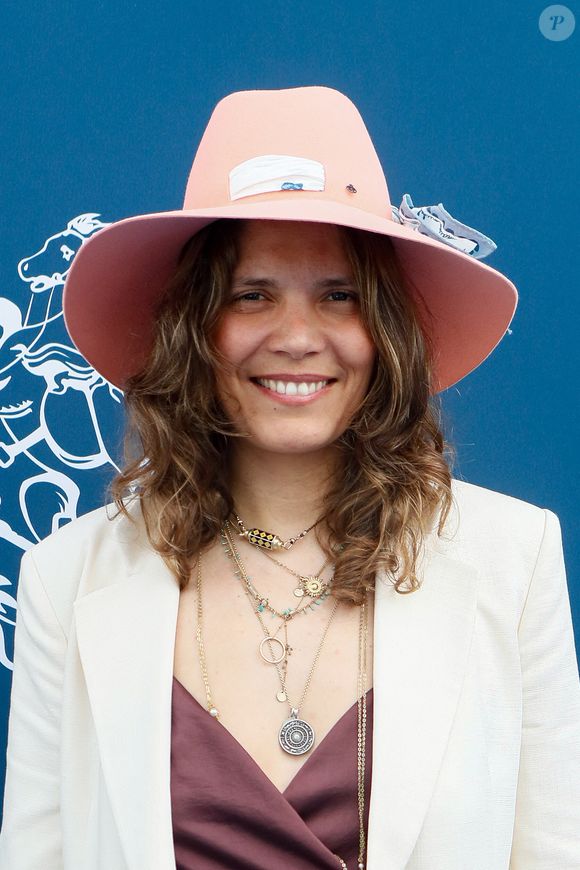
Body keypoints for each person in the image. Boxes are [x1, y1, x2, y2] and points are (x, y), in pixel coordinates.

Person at [0, 85, 579, 870]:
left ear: (385, 330)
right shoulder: (65, 581)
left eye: (338, 296)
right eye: (253, 295)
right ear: (194, 328)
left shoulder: (514, 560)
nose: (299, 338)